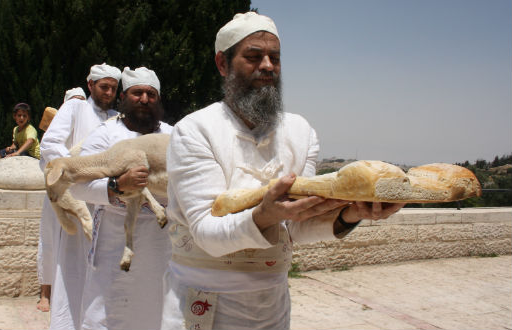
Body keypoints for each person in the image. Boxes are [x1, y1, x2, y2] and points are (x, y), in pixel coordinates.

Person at [161, 12, 405, 330]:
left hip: (271, 307)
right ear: (223, 64)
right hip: (202, 305)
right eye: (253, 57)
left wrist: (352, 214)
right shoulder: (195, 131)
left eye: (274, 58)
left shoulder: (300, 133)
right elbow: (206, 233)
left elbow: (295, 229)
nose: (267, 66)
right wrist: (264, 214)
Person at [68, 66, 173, 330]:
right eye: (137, 93)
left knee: (159, 310)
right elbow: (77, 185)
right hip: (115, 244)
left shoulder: (175, 136)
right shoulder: (105, 135)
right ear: (124, 96)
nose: (144, 99)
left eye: (151, 94)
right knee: (108, 311)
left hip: (163, 243)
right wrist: (116, 186)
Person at [37, 63, 121, 330]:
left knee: (105, 273)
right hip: (77, 203)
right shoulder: (75, 108)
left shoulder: (118, 118)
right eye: (103, 86)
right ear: (91, 86)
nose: (108, 92)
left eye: (113, 88)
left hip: (108, 205)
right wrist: (76, 171)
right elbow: (51, 144)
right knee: (73, 271)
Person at [36, 85, 89, 313]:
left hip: (81, 194)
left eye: (80, 100)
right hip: (56, 194)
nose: (76, 105)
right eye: (72, 101)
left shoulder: (92, 126)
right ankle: (45, 293)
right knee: (49, 240)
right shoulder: (55, 130)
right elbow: (44, 161)